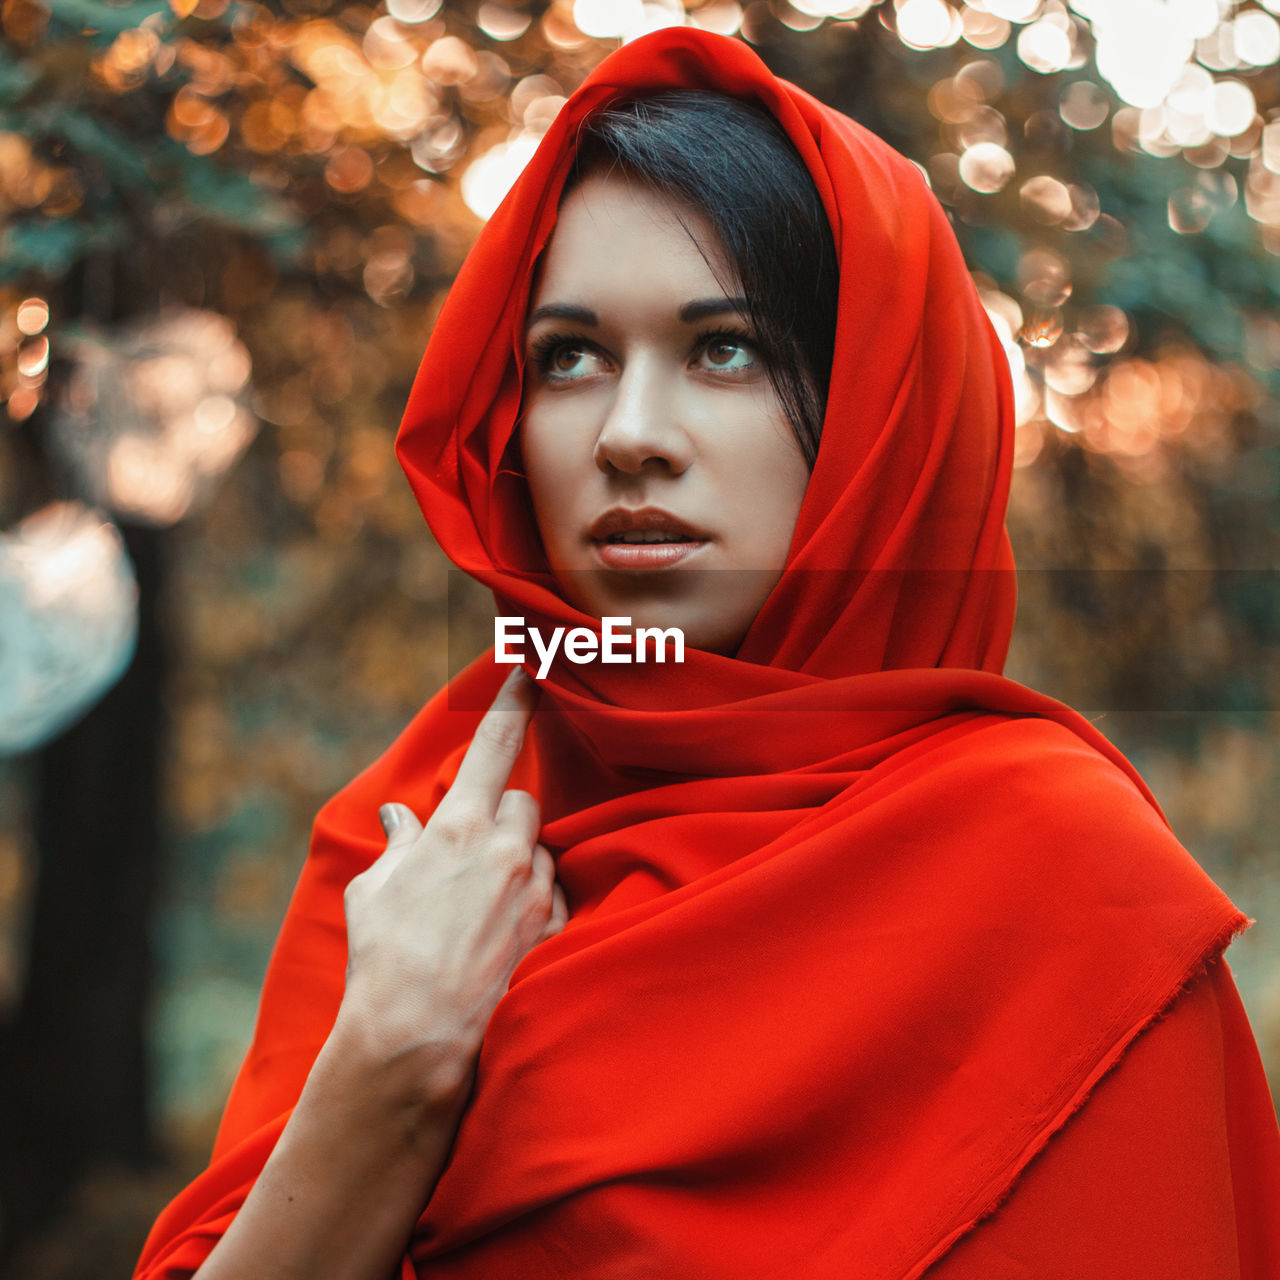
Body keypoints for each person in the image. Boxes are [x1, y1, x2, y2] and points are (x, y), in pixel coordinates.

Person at [134, 26, 1280, 1280]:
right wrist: (385, 1069)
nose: (628, 434)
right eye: (568, 357)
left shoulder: (1067, 887)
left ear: (877, 410)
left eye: (721, 348)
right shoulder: (418, 839)